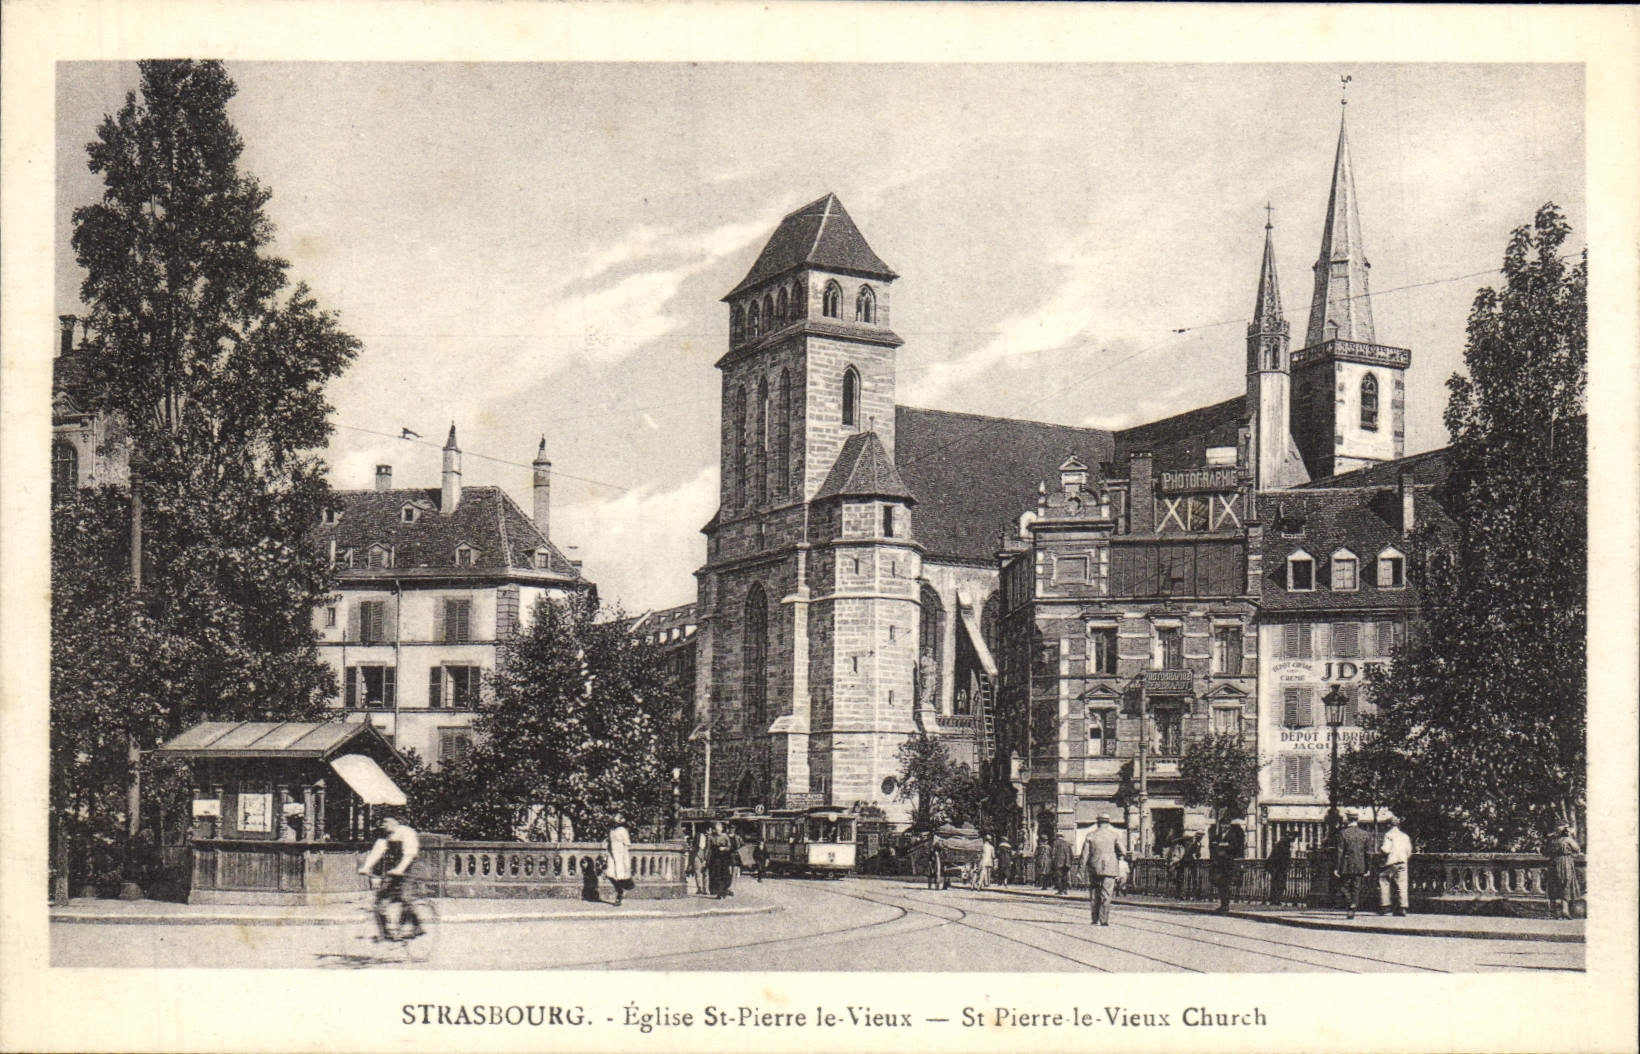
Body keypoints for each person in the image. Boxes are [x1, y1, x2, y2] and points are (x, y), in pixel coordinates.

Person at [357, 814, 423, 941]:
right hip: (393, 871)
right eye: (382, 822)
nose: (383, 825)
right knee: (379, 902)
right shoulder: (384, 836)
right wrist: (367, 867)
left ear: (395, 821)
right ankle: (386, 933)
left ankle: (416, 926)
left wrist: (401, 869)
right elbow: (377, 852)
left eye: (386, 821)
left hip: (408, 869)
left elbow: (410, 854)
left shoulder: (407, 832)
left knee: (405, 898)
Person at [1079, 815, 1126, 926]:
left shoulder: (1090, 835)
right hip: (1110, 868)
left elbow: (1084, 855)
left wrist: (1080, 871)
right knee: (1106, 894)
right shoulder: (1114, 835)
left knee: (1094, 893)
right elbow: (1123, 852)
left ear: (1097, 823)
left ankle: (1094, 918)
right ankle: (1104, 919)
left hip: (1094, 868)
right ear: (1108, 823)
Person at [1333, 810, 1375, 919]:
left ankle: (1350, 903)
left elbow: (1339, 851)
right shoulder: (1365, 834)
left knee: (1342, 886)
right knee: (1356, 888)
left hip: (1346, 864)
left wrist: (1337, 867)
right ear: (1357, 820)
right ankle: (1353, 907)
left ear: (1348, 819)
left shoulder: (1343, 833)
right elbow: (1369, 852)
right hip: (1360, 865)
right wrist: (1368, 867)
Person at [1377, 815, 1412, 917]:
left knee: (1384, 881)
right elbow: (1408, 851)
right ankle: (1403, 907)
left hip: (1390, 862)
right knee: (1402, 885)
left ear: (1389, 825)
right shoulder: (1405, 836)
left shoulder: (1388, 835)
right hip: (1402, 862)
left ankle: (1385, 906)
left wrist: (1380, 849)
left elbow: (1386, 849)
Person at [1544, 823, 1582, 919]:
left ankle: (1553, 911)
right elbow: (1577, 849)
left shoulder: (1552, 841)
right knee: (1565, 883)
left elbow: (1545, 853)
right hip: (1565, 862)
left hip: (1553, 863)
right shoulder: (1568, 840)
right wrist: (1571, 855)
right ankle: (1564, 910)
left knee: (1553, 885)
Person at [1210, 817, 1246, 914]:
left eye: (1226, 825)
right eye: (1223, 825)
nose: (1224, 827)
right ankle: (1223, 904)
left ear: (1229, 825)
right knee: (1220, 885)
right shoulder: (1218, 836)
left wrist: (1223, 846)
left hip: (1227, 864)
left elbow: (1234, 847)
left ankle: (1226, 905)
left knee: (1226, 884)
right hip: (1219, 864)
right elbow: (1213, 846)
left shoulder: (1232, 835)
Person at [605, 813, 634, 906]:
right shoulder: (611, 831)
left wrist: (627, 862)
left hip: (621, 855)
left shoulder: (623, 831)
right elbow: (609, 843)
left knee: (620, 876)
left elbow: (626, 845)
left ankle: (619, 896)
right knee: (609, 874)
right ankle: (620, 890)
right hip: (612, 855)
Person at [706, 821, 734, 898]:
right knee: (716, 875)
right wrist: (706, 859)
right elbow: (708, 849)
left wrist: (724, 848)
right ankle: (719, 892)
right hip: (715, 859)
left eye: (719, 829)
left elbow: (730, 847)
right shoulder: (711, 837)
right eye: (716, 829)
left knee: (724, 875)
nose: (718, 831)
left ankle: (724, 891)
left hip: (723, 858)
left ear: (721, 829)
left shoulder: (725, 836)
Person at [1267, 832, 1295, 906]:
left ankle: (1274, 899)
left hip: (1275, 868)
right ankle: (1276, 899)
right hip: (1279, 868)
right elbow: (1283, 858)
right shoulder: (1284, 844)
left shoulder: (1281, 843)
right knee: (1279, 884)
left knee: (1275, 883)